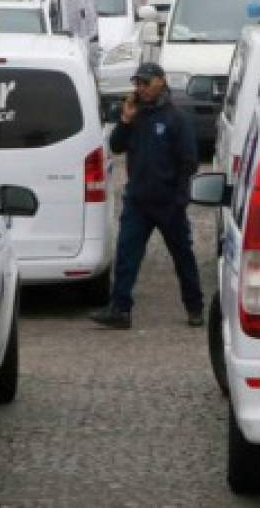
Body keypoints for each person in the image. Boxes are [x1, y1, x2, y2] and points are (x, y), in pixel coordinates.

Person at [92, 62, 202, 330]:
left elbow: (189, 162)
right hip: (138, 201)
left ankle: (195, 307)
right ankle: (120, 309)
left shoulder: (176, 118)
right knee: (127, 256)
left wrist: (179, 198)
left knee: (182, 256)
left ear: (160, 82)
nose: (140, 88)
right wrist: (126, 121)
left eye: (145, 83)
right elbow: (116, 146)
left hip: (168, 203)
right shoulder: (135, 115)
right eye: (137, 84)